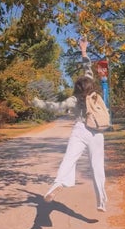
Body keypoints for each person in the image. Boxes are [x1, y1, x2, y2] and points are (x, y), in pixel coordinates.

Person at [32, 38, 107, 212]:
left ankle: (56, 185)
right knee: (97, 167)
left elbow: (55, 107)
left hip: (80, 129)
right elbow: (87, 67)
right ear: (90, 85)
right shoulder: (94, 93)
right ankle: (101, 202)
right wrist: (83, 50)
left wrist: (36, 102)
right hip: (97, 132)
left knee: (68, 160)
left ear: (77, 88)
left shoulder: (74, 99)